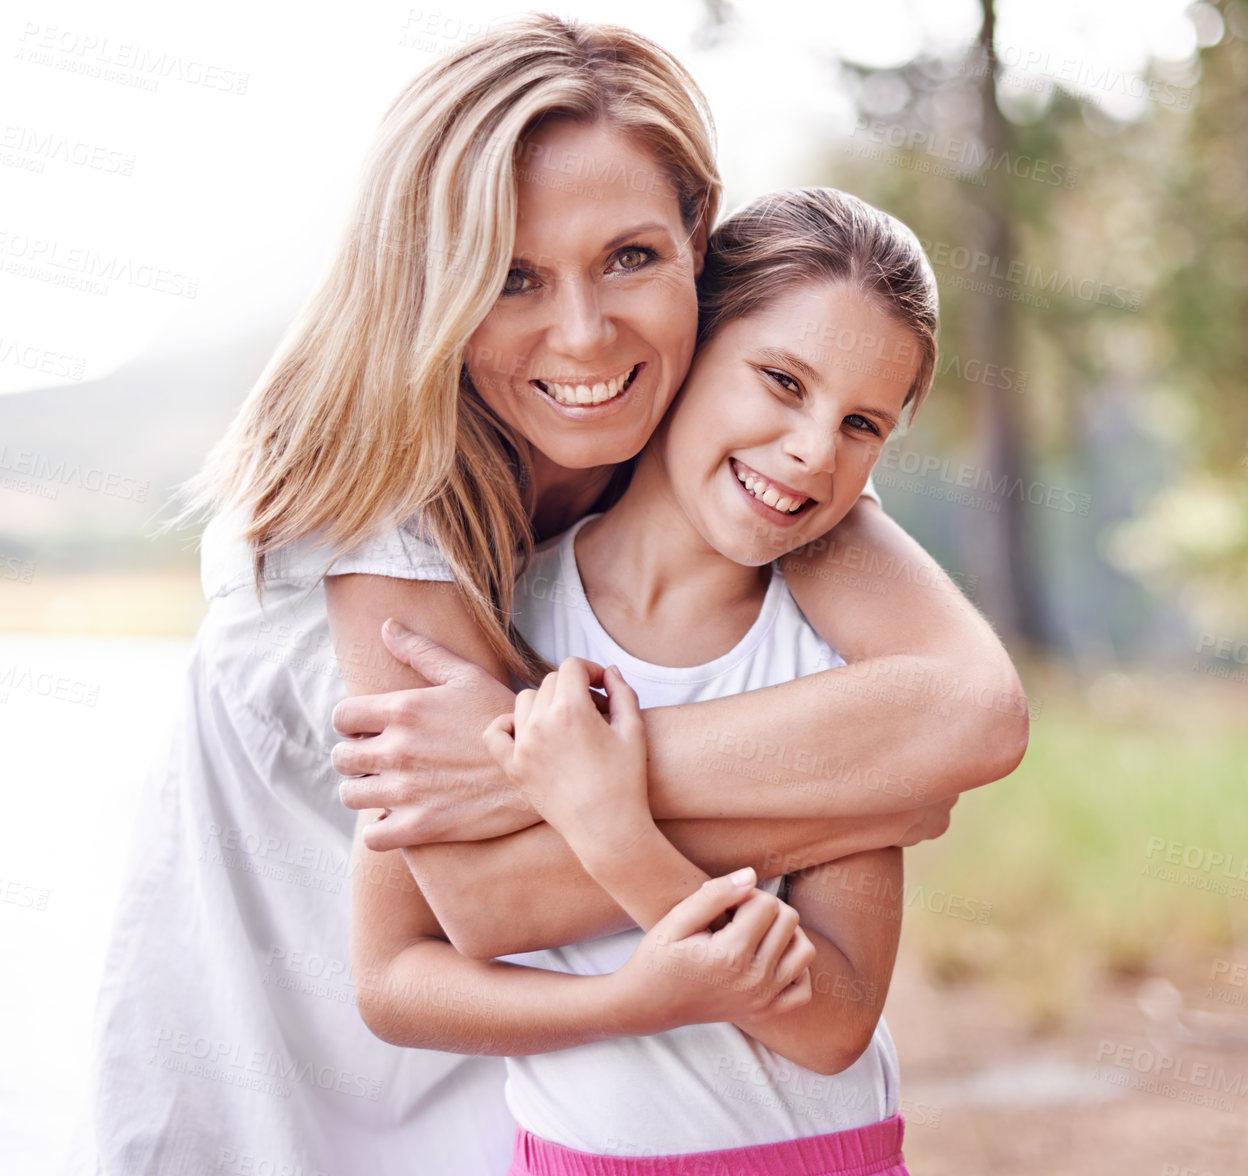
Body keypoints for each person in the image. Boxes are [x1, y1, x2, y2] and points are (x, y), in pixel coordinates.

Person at [85, 16, 1024, 1176]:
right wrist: (856, 792)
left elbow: (972, 719)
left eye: (630, 257)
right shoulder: (391, 492)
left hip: (550, 1110)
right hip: (279, 1080)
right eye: (512, 277)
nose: (584, 334)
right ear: (435, 282)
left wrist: (561, 766)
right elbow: (482, 898)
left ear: (698, 234)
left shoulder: (747, 445)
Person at [352, 187, 935, 1175]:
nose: (812, 451)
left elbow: (834, 1022)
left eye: (863, 424)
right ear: (693, 345)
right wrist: (630, 999)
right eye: (783, 382)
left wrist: (623, 840)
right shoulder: (500, 616)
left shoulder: (845, 667)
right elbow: (396, 980)